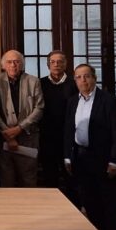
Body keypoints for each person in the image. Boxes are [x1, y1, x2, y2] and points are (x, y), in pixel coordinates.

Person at [64, 63, 116, 230]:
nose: (83, 81)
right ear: (75, 81)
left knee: (110, 203)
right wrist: (67, 156)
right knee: (90, 201)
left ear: (94, 78)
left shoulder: (109, 101)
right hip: (81, 158)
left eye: (87, 76)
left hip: (104, 159)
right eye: (79, 77)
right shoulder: (73, 101)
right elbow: (68, 131)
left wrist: (115, 161)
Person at [0, 49, 44, 187]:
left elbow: (39, 108)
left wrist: (20, 128)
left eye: (16, 62)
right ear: (3, 65)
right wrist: (8, 135)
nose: (13, 65)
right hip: (3, 139)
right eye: (9, 62)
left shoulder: (33, 81)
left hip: (28, 138)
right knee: (6, 181)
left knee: (28, 181)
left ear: (22, 64)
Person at [39, 50, 78, 194]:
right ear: (48, 65)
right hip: (47, 137)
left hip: (68, 137)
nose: (56, 65)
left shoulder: (74, 84)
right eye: (53, 62)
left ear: (65, 64)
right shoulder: (40, 83)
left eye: (60, 62)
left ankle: (74, 209)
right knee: (50, 177)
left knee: (71, 177)